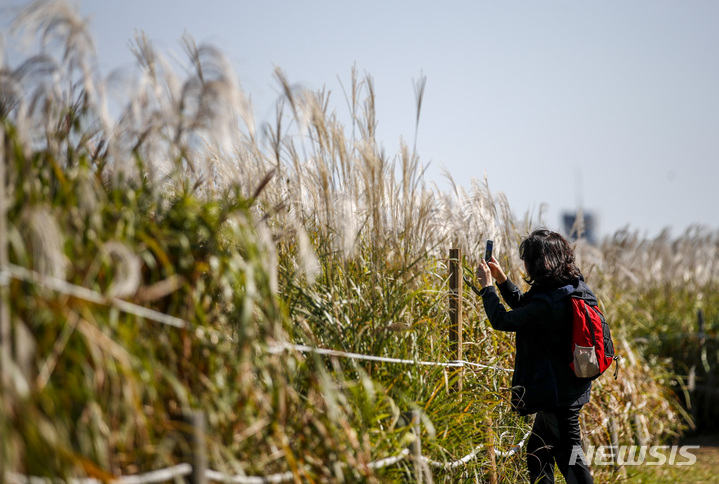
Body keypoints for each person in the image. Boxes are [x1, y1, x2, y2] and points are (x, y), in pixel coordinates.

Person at [474, 228, 594, 484]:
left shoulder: (549, 303)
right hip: (566, 389)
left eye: (527, 260)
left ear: (538, 263)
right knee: (537, 455)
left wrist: (486, 288)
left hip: (558, 396)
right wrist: (502, 281)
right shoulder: (569, 287)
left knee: (572, 463)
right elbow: (527, 309)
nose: (525, 266)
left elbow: (502, 320)